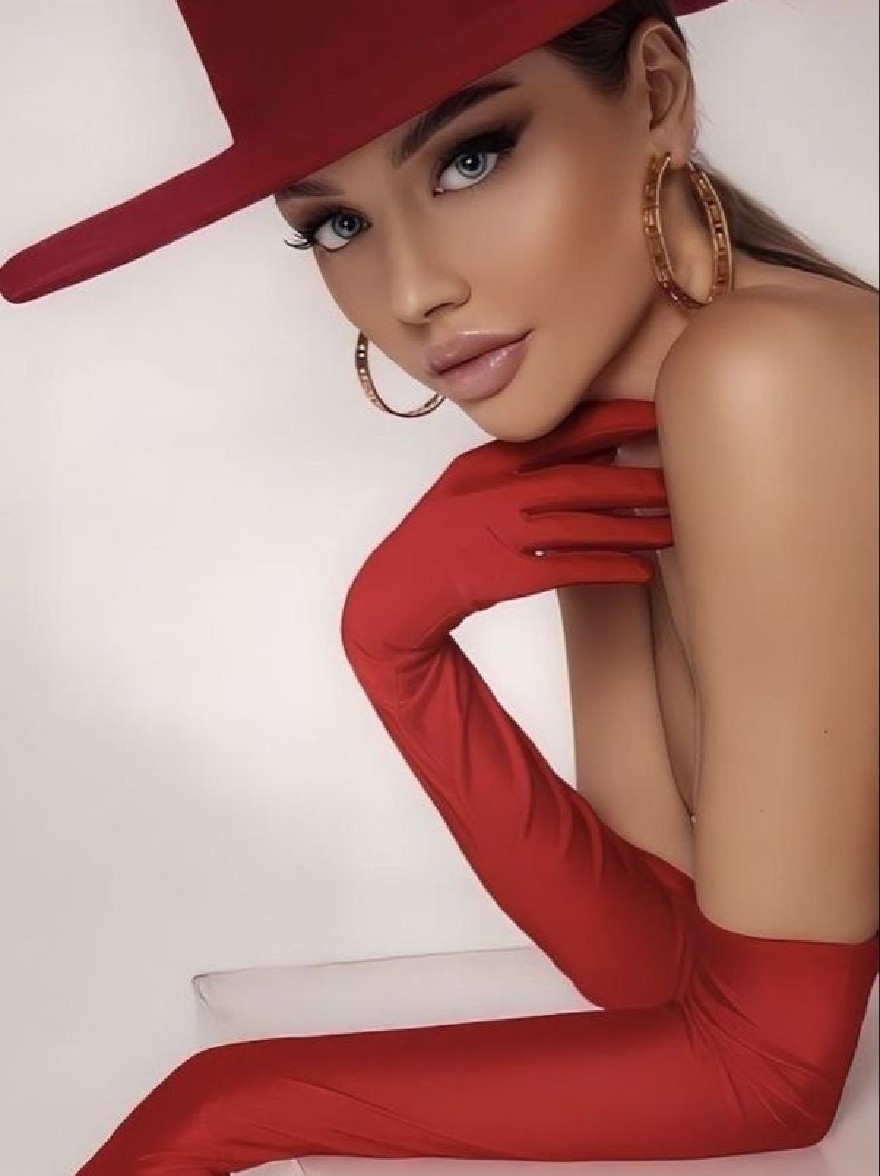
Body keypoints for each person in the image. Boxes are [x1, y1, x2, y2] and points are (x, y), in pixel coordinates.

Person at [2, 0, 878, 1171]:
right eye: (334, 224)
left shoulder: (768, 374)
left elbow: (767, 1074)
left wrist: (225, 1107)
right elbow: (656, 970)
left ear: (657, 91)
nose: (409, 291)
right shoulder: (625, 429)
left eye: (472, 157)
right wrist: (398, 656)